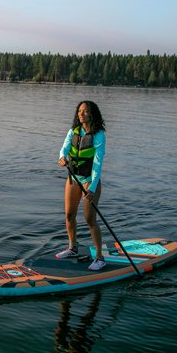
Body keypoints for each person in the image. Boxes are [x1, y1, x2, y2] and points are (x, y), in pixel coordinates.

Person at [55, 100, 106, 270]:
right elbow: (64, 149)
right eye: (79, 111)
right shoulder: (73, 131)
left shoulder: (99, 135)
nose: (81, 114)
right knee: (69, 215)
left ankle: (99, 257)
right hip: (73, 178)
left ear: (92, 114)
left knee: (90, 219)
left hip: (89, 180)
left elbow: (97, 164)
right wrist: (62, 158)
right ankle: (73, 247)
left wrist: (91, 188)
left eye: (85, 111)